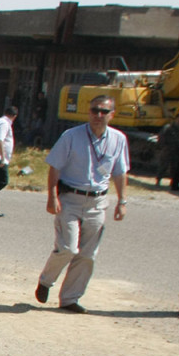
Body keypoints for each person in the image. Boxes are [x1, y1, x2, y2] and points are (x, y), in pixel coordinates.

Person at [35, 94, 129, 313]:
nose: (98, 115)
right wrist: (52, 196)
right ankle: (46, 280)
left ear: (112, 115)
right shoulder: (72, 136)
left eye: (103, 111)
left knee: (87, 255)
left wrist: (122, 201)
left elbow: (120, 172)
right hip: (70, 199)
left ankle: (70, 299)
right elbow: (55, 166)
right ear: (88, 112)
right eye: (94, 110)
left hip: (97, 202)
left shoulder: (118, 139)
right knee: (68, 247)